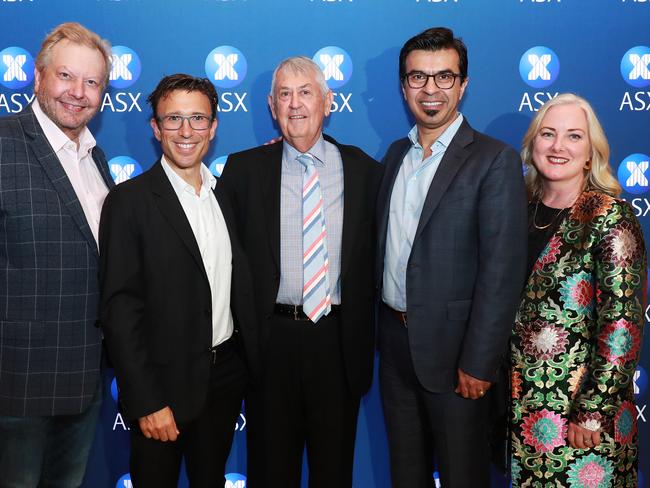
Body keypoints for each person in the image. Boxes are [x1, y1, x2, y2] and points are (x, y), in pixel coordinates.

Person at [218, 56, 382, 488]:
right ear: (271, 107)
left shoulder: (365, 171)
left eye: (305, 92)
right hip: (270, 343)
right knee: (271, 471)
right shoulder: (242, 171)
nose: (295, 105)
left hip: (338, 341)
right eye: (284, 95)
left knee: (333, 472)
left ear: (328, 102)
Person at [375, 27, 528, 487]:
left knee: (462, 476)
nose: (430, 89)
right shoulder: (395, 155)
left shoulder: (493, 160)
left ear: (463, 85)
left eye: (444, 77)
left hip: (458, 356)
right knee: (407, 475)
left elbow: (502, 272)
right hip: (395, 347)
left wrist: (480, 362)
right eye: (418, 77)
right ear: (403, 87)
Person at [99, 74, 259, 488]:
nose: (186, 132)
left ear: (214, 126)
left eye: (197, 119)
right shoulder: (128, 202)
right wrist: (147, 400)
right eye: (173, 119)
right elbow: (120, 310)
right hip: (161, 387)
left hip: (224, 381)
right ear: (155, 128)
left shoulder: (228, 195)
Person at [510, 93, 646, 487]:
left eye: (573, 137)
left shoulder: (610, 217)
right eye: (548, 134)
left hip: (581, 419)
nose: (558, 146)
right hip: (524, 412)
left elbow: (623, 323)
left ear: (590, 153)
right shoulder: (519, 207)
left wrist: (595, 407)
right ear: (532, 144)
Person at [0, 22, 114, 487]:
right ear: (38, 76)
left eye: (92, 83)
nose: (78, 93)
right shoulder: (4, 143)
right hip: (15, 384)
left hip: (82, 381)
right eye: (67, 77)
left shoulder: (95, 157)